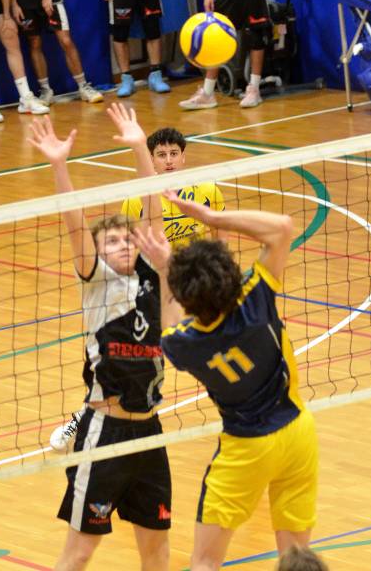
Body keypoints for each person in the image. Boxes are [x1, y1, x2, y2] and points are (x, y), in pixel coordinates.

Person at [133, 194, 317, 571]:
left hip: (246, 450)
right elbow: (282, 228)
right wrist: (210, 216)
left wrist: (165, 267)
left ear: (186, 298)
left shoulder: (184, 344)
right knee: (296, 559)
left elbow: (170, 321)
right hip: (299, 435)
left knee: (204, 561)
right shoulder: (256, 298)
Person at [27, 106, 170, 571]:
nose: (123, 244)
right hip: (104, 432)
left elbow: (153, 210)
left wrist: (140, 147)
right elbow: (74, 223)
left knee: (157, 549)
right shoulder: (96, 281)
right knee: (80, 553)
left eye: (128, 239)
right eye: (111, 242)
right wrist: (59, 165)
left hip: (149, 430)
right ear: (98, 253)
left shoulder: (151, 273)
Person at [121, 127, 225, 248]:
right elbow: (126, 244)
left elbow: (220, 235)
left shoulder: (208, 190)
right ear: (152, 160)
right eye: (162, 155)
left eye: (174, 154)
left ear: (183, 157)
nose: (169, 161)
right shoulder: (135, 200)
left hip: (194, 259)